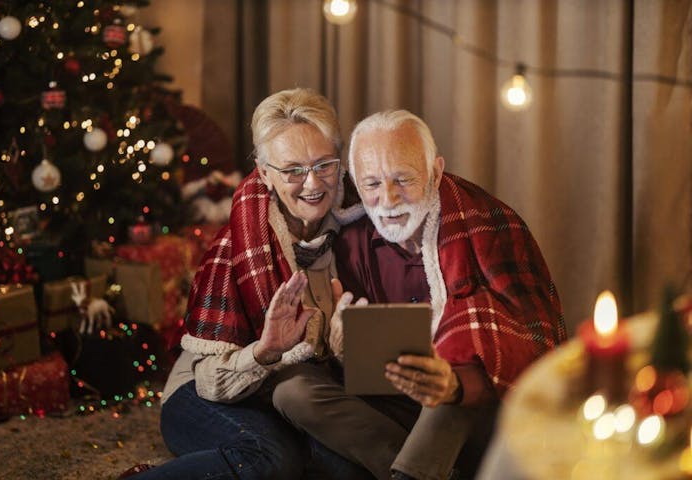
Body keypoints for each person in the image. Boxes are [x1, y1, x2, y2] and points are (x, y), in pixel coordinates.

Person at [271, 110, 566, 480]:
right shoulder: (352, 241)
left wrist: (454, 384)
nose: (388, 199)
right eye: (372, 184)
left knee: (444, 387)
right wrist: (341, 348)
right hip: (391, 406)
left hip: (471, 410)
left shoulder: (490, 226)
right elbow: (361, 366)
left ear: (436, 172)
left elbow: (532, 344)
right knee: (291, 391)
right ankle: (426, 470)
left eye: (403, 180)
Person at [122, 88, 371, 479]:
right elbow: (211, 382)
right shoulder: (237, 243)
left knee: (342, 468)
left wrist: (344, 346)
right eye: (292, 170)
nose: (312, 184)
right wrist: (266, 350)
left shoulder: (361, 221)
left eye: (324, 164)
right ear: (266, 173)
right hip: (206, 390)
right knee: (270, 458)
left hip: (291, 394)